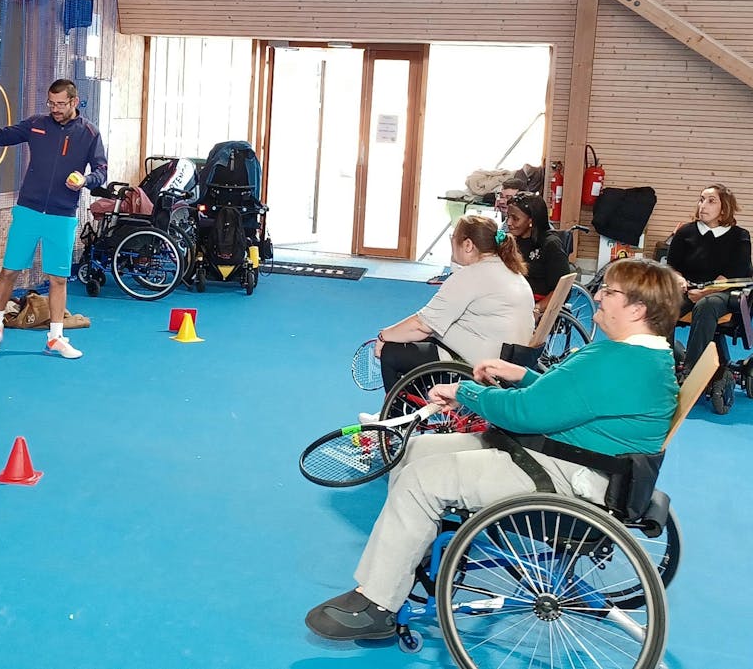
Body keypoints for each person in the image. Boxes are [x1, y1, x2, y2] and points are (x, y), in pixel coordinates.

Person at [306, 258, 681, 641]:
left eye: (610, 292)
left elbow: (524, 414)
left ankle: (378, 602)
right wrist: (523, 375)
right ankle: (404, 556)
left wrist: (464, 390)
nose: (599, 296)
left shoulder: (615, 361)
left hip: (563, 474)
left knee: (421, 479)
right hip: (576, 461)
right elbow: (573, 400)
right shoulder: (645, 358)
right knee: (418, 450)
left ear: (637, 309)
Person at [0, 79, 108, 359]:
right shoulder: (36, 124)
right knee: (9, 272)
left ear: (74, 101)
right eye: (51, 103)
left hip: (62, 216)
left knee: (58, 279)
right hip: (28, 212)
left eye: (60, 104)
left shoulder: (90, 133)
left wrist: (85, 180)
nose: (54, 109)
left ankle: (56, 338)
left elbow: (101, 171)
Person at [374, 215, 534, 394]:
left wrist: (384, 336)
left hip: (481, 365)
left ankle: (394, 418)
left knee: (392, 352)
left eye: (453, 238)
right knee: (423, 342)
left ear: (467, 245)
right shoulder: (512, 272)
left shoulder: (471, 276)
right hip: (513, 360)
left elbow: (421, 325)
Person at [665, 183, 752, 378]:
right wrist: (678, 280)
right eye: (701, 199)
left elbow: (734, 273)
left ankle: (691, 372)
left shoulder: (740, 236)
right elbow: (672, 266)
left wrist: (704, 292)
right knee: (665, 305)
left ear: (724, 209)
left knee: (706, 305)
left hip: (722, 292)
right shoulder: (686, 231)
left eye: (711, 201)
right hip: (688, 289)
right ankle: (664, 365)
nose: (702, 205)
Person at [505, 191, 574, 316]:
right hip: (513, 298)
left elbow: (562, 290)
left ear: (531, 220)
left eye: (515, 218)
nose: (509, 223)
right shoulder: (512, 240)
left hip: (534, 302)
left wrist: (537, 308)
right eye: (507, 217)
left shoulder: (551, 244)